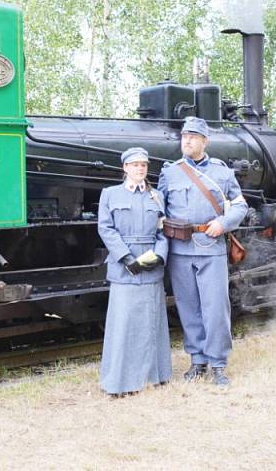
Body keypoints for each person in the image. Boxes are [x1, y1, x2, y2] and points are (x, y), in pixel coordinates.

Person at [156, 117, 248, 386]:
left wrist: (223, 223)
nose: (187, 140)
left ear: (204, 141)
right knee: (188, 308)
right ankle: (197, 361)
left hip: (211, 249)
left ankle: (218, 363)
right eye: (184, 136)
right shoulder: (170, 172)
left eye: (193, 137)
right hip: (180, 250)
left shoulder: (222, 172)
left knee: (216, 309)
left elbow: (240, 205)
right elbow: (159, 210)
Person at [97, 147, 171, 396]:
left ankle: (155, 375)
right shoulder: (110, 194)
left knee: (152, 322)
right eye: (135, 165)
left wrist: (158, 256)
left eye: (144, 165)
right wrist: (127, 259)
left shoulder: (157, 197)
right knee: (124, 324)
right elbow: (106, 229)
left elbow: (163, 232)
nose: (140, 169)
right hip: (124, 268)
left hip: (150, 267)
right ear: (125, 168)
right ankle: (120, 381)